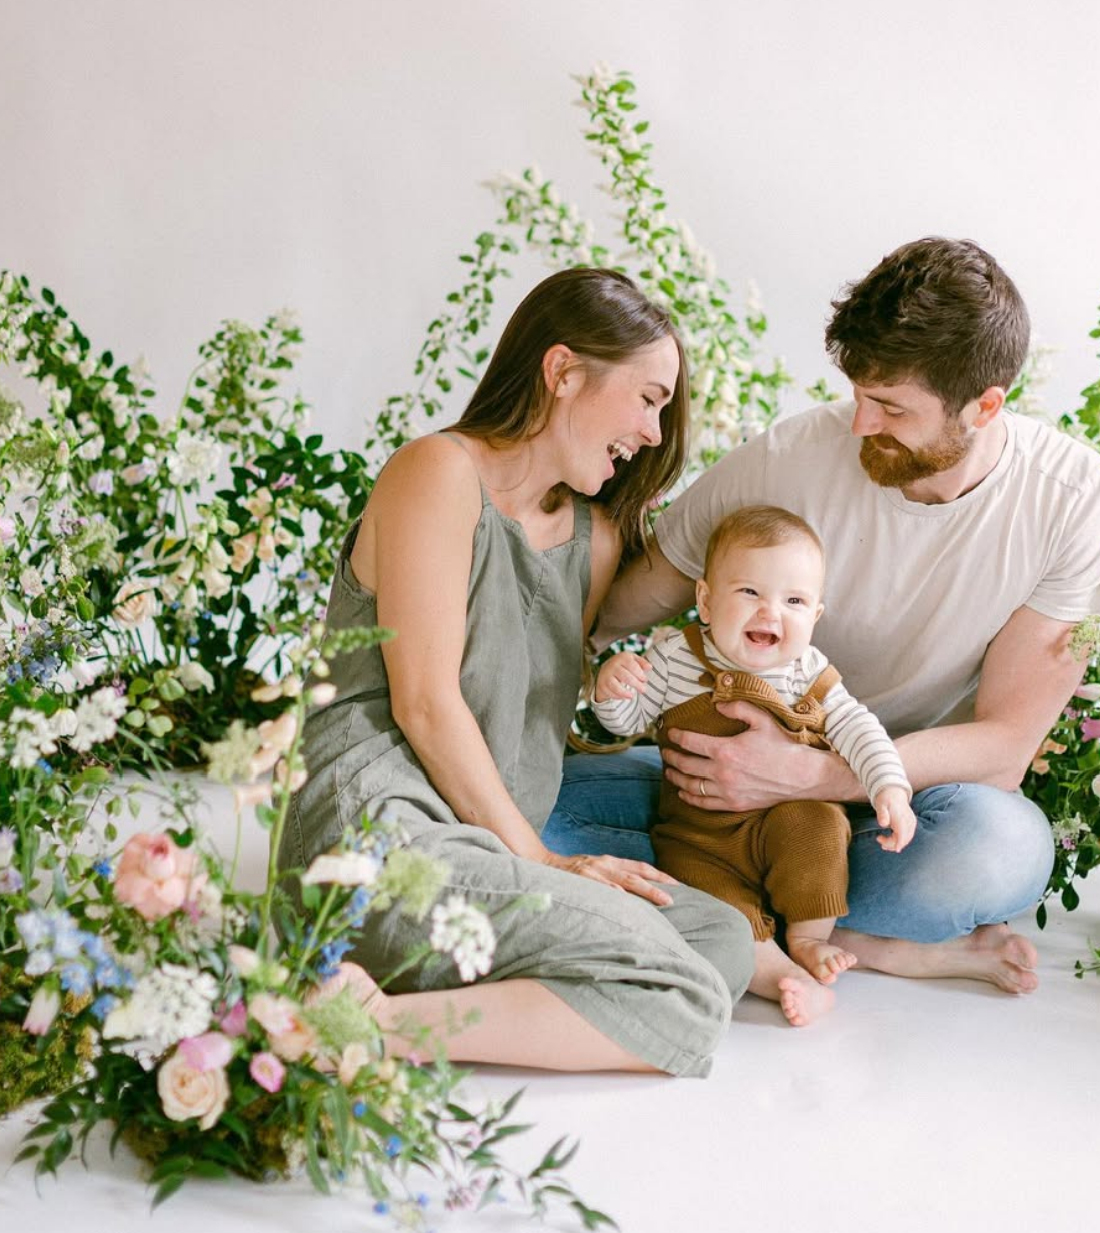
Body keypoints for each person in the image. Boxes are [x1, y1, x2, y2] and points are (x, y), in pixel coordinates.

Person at [543, 237, 1100, 997]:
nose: (859, 425)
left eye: (891, 407)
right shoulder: (788, 458)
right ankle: (836, 935)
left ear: (984, 406)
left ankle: (750, 925)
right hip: (711, 790)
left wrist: (810, 775)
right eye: (857, 394)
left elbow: (1005, 745)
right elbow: (622, 603)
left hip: (894, 803)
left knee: (1000, 851)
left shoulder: (1069, 496)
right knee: (522, 819)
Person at [279, 267, 755, 1077]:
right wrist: (543, 861)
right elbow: (426, 703)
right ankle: (366, 1022)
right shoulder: (436, 472)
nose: (653, 431)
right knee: (687, 996)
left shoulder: (594, 541)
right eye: (647, 398)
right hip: (381, 839)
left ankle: (413, 995)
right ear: (562, 369)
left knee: (720, 940)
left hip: (487, 849)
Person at [592, 505, 916, 1026]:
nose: (770, 612)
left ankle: (809, 939)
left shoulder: (807, 671)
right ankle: (777, 973)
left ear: (815, 617)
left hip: (785, 821)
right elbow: (625, 720)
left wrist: (890, 788)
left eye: (794, 601)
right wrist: (612, 689)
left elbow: (858, 728)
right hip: (698, 838)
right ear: (705, 600)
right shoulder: (676, 657)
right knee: (705, 898)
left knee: (819, 829)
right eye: (749, 592)